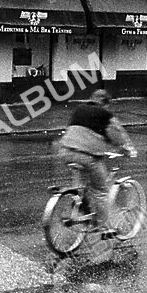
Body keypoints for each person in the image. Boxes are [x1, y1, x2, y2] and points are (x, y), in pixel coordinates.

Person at [56, 89, 137, 236]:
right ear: (105, 103)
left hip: (65, 152)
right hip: (87, 156)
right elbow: (117, 135)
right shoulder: (105, 115)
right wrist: (127, 150)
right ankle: (103, 227)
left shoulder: (79, 109)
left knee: (81, 185)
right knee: (100, 191)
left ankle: (81, 206)